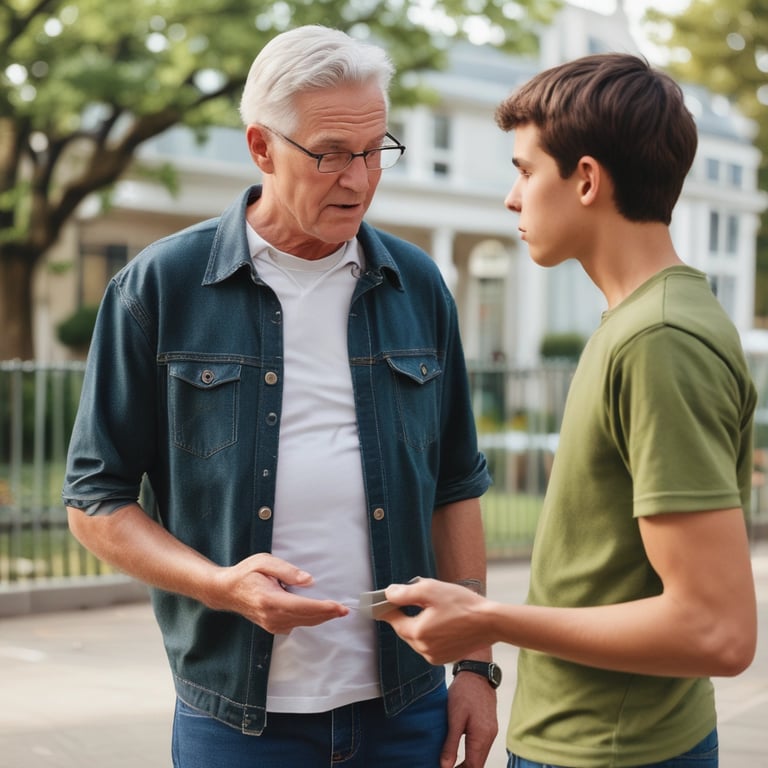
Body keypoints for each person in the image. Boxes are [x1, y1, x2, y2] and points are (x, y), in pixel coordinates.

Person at [63, 25, 497, 768]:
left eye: (374, 151)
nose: (358, 179)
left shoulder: (418, 285)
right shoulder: (159, 287)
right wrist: (222, 586)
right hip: (236, 719)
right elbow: (94, 500)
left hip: (407, 707)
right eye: (330, 154)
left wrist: (476, 666)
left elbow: (456, 482)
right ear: (261, 147)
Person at [382, 53, 759, 768]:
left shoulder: (660, 340)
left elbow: (718, 631)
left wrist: (484, 620)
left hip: (613, 752)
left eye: (525, 170)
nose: (511, 198)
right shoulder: (642, 321)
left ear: (586, 179)